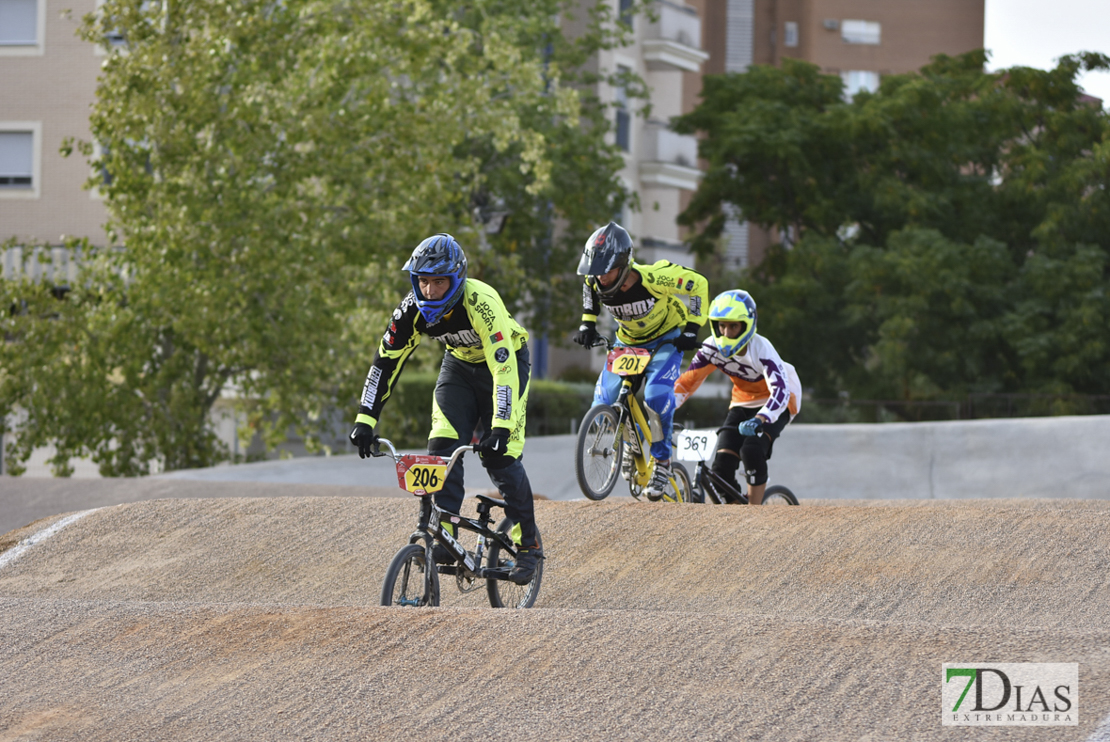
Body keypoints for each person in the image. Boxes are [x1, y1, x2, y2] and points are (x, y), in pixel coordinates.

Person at [349, 233, 541, 584]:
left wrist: (499, 425)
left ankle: (528, 545)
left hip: (506, 365)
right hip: (459, 368)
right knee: (440, 447)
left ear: (457, 279)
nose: (430, 291)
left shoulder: (481, 302)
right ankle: (445, 531)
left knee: (501, 457)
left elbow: (503, 366)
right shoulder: (411, 310)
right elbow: (385, 363)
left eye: (439, 282)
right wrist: (365, 418)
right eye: (423, 282)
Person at [572, 221, 709, 499]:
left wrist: (693, 328)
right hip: (629, 343)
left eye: (606, 271)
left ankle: (662, 463)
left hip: (665, 340)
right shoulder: (595, 279)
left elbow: (699, 285)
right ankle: (628, 448)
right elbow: (589, 292)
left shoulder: (656, 278)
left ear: (624, 265)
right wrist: (587, 323)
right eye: (595, 272)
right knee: (604, 399)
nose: (600, 278)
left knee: (656, 396)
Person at [674, 289, 802, 504]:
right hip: (742, 401)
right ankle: (736, 514)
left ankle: (754, 510)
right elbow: (687, 382)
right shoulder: (710, 349)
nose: (726, 332)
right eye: (721, 325)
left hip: (779, 400)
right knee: (721, 468)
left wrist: (760, 419)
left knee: (751, 449)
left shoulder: (761, 349)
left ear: (747, 325)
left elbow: (780, 390)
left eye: (733, 326)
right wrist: (662, 409)